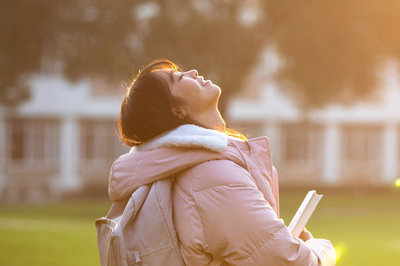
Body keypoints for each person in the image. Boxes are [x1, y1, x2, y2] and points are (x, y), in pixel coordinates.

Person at [109, 59, 336, 265]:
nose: (193, 71)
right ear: (176, 110)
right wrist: (321, 249)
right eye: (178, 78)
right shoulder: (212, 175)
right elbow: (289, 262)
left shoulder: (196, 167)